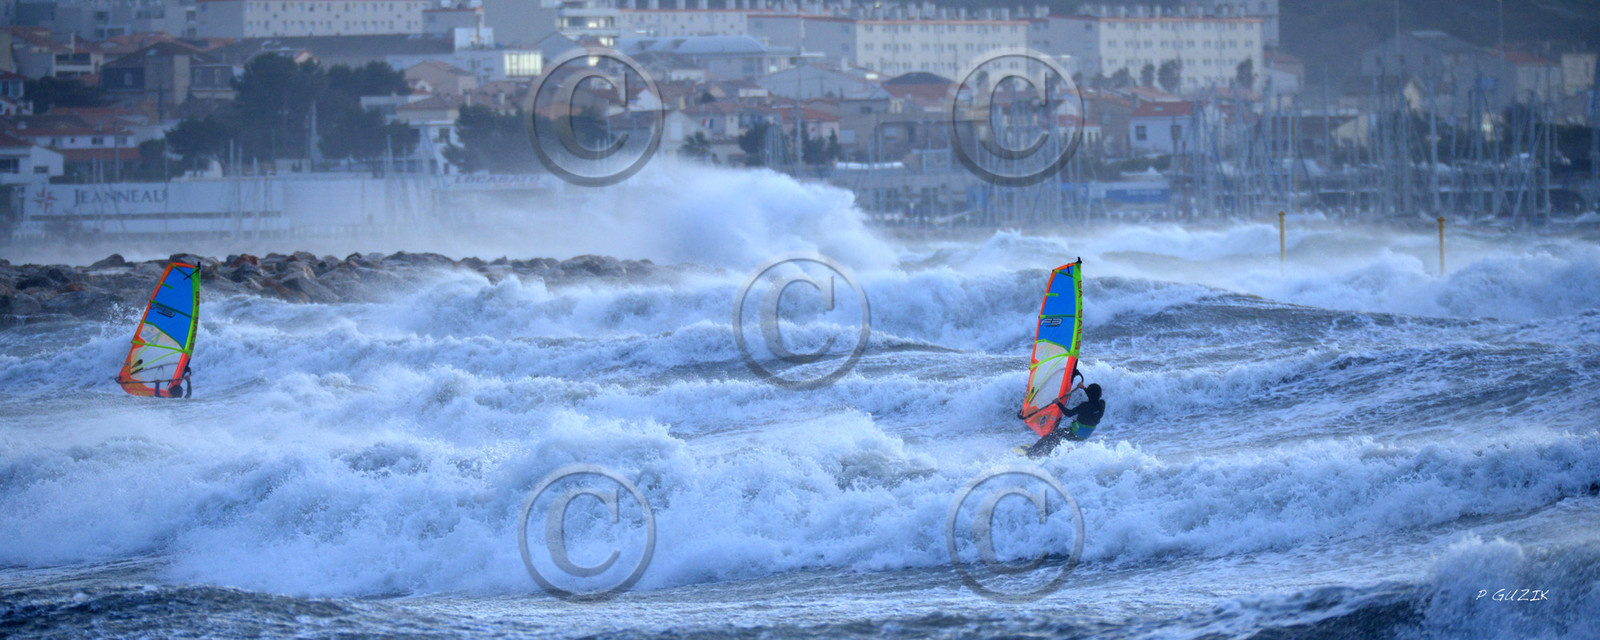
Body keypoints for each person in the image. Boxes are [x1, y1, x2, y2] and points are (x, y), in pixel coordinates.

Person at [1021, 383, 1104, 458]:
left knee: (1051, 435)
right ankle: (1046, 452)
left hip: (1076, 433)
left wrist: (1058, 403)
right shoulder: (1101, 404)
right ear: (1100, 394)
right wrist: (1084, 388)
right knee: (1058, 436)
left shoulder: (1084, 405)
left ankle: (1031, 452)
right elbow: (1093, 398)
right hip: (1086, 434)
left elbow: (1069, 413)